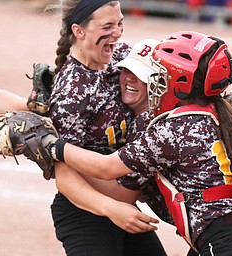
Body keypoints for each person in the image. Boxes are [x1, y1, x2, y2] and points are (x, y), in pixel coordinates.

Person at [43, 31, 232, 255]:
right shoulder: (218, 111)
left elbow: (107, 169)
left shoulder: (171, 128)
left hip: (231, 243)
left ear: (180, 82)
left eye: (161, 74)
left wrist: (49, 145)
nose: (157, 80)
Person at [45, 0, 167, 255]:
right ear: (79, 31)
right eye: (108, 26)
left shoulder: (122, 57)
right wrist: (112, 209)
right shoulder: (72, 92)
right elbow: (64, 174)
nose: (118, 33)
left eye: (120, 24)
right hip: (86, 211)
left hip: (123, 202)